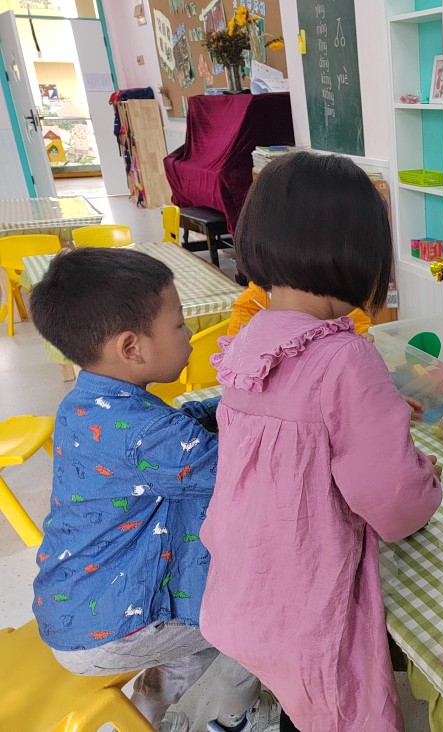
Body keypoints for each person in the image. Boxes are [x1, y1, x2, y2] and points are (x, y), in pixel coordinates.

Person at [199, 152, 443, 732]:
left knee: (296, 704)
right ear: (360, 256)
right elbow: (395, 503)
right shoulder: (346, 355)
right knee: (345, 713)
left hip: (240, 587)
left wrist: (378, 413)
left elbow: (294, 433)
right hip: (308, 608)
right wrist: (427, 477)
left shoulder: (250, 339)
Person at [30, 248, 272, 732]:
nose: (188, 336)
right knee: (259, 610)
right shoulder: (145, 437)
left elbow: (181, 427)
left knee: (197, 619)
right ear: (131, 348)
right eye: (179, 325)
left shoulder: (91, 402)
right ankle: (234, 717)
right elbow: (248, 469)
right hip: (107, 630)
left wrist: (233, 403)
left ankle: (148, 714)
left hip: (74, 604)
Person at [227, 281, 374, 337]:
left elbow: (362, 328)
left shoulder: (330, 297)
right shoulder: (251, 302)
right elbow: (237, 351)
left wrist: (362, 338)